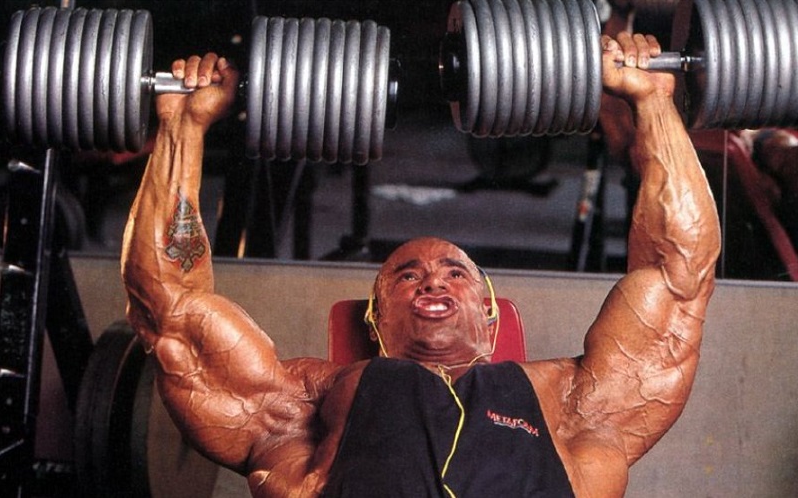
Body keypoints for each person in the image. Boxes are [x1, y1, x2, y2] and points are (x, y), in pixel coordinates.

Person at [121, 31, 721, 497]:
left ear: (490, 318)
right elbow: (172, 311)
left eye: (457, 273)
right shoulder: (306, 409)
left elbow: (679, 279)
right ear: (375, 320)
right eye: (406, 275)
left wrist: (654, 104)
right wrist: (183, 126)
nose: (433, 277)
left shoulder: (569, 405)